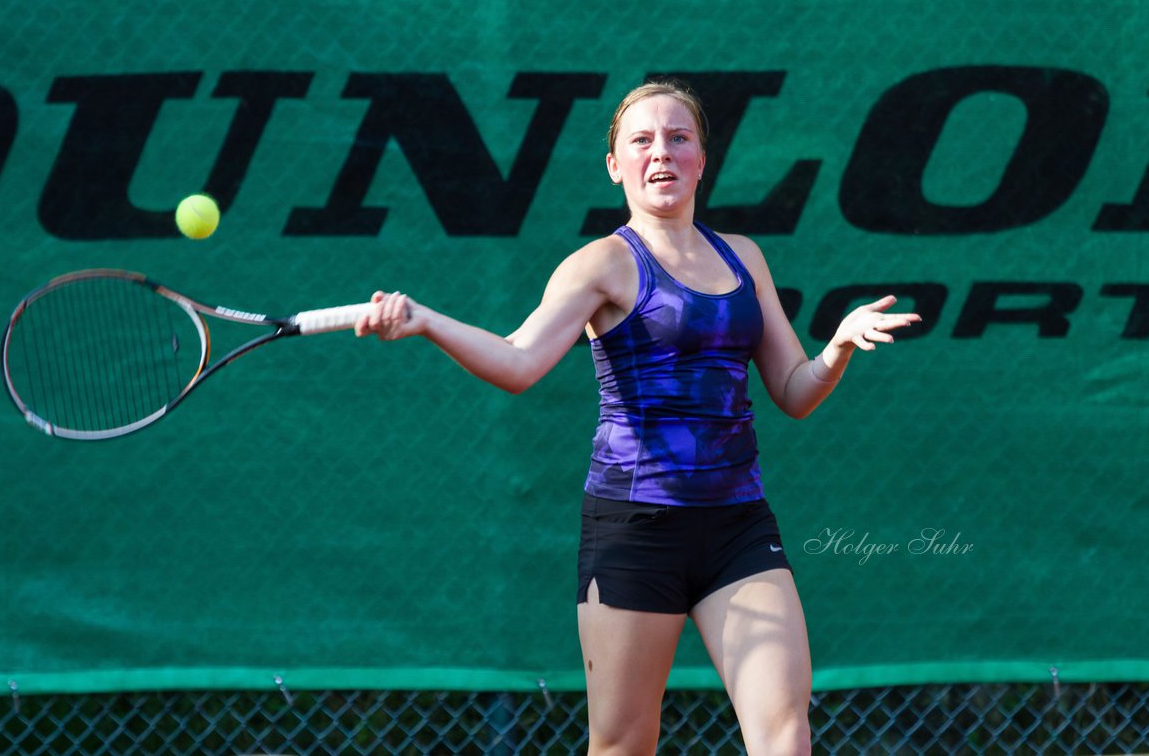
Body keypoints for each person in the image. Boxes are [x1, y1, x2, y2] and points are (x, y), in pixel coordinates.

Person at [355, 79, 921, 755]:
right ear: (615, 165)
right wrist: (424, 321)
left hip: (739, 527)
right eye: (642, 141)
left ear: (702, 160)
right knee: (624, 744)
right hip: (634, 530)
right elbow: (517, 361)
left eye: (679, 138)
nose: (662, 153)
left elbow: (794, 392)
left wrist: (837, 347)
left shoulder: (746, 258)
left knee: (784, 732)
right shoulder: (601, 265)